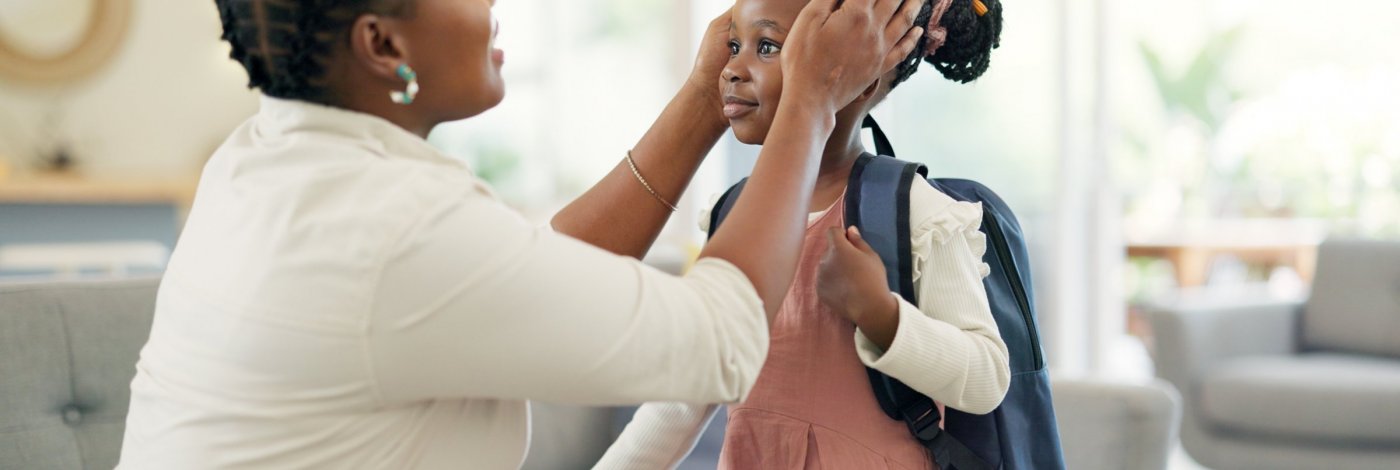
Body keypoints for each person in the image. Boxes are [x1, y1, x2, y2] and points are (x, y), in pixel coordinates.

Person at [116, 0, 925, 468]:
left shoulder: (264, 158)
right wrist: (809, 98)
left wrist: (709, 94)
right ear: (382, 44)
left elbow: (534, 270)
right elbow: (718, 338)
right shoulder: (389, 228)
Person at [597, 0, 1008, 468]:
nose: (731, 68)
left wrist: (881, 315)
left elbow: (987, 378)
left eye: (767, 46)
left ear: (862, 76)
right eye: (735, 45)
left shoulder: (916, 211)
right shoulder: (733, 215)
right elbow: (685, 395)